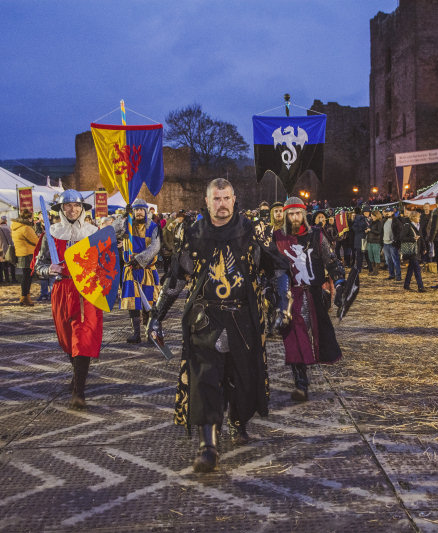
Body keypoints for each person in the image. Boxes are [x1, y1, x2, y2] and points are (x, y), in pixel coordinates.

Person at [146, 178, 291, 473]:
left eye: (227, 198)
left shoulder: (253, 231)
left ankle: (239, 422)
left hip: (244, 319)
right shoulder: (193, 233)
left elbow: (276, 267)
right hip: (205, 320)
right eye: (217, 199)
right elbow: (174, 279)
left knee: (243, 379)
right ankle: (208, 446)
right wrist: (156, 316)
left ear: (234, 199)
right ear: (208, 200)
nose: (222, 204)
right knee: (205, 381)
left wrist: (283, 306)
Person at [35, 190, 102, 409]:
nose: (72, 210)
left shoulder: (94, 232)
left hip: (87, 292)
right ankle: (77, 374)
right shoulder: (51, 234)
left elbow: (105, 264)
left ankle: (78, 391)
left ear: (83, 209)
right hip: (62, 291)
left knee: (83, 340)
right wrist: (49, 269)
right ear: (61, 210)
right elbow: (38, 266)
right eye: (68, 206)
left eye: (76, 206)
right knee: (67, 340)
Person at [275, 197, 345, 402]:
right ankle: (301, 384)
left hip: (314, 293)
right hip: (290, 295)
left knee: (319, 337)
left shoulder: (316, 234)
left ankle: (307, 375)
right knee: (294, 339)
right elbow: (274, 268)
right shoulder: (278, 237)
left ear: (304, 214)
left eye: (298, 213)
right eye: (291, 213)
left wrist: (339, 284)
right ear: (286, 215)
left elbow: (331, 260)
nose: (295, 217)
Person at [121, 199, 161, 344]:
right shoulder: (126, 225)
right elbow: (112, 230)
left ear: (146, 211)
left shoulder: (153, 227)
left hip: (146, 270)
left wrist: (139, 259)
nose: (138, 212)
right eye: (136, 210)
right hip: (130, 271)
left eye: (141, 210)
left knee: (149, 303)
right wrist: (123, 217)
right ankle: (136, 333)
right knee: (133, 304)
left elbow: (155, 248)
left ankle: (150, 333)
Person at [12, 209, 39, 306]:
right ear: (28, 218)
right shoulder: (26, 228)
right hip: (28, 254)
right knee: (27, 277)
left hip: (20, 253)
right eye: (31, 217)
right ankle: (25, 297)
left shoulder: (15, 227)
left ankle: (24, 297)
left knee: (26, 276)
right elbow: (36, 241)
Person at [400, 211, 426, 292]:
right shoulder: (407, 226)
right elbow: (401, 238)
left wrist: (424, 247)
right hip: (411, 250)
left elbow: (421, 238)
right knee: (417, 268)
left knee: (411, 268)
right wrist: (412, 239)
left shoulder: (419, 226)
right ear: (413, 218)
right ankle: (420, 287)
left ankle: (406, 284)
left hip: (417, 250)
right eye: (418, 217)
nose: (419, 219)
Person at [161, 210, 185, 274]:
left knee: (171, 264)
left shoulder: (171, 230)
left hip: (171, 249)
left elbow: (173, 238)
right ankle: (166, 275)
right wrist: (170, 247)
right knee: (167, 264)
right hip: (167, 250)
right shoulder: (165, 230)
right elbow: (164, 241)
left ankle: (168, 274)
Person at [0, 216, 16, 283]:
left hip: (2, 248)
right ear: (6, 221)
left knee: (5, 265)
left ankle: (7, 279)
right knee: (12, 264)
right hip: (10, 248)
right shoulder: (10, 228)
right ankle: (13, 278)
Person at [382, 207, 401, 281]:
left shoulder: (396, 221)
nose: (387, 213)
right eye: (386, 212)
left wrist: (395, 241)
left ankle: (398, 275)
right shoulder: (384, 221)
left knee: (395, 260)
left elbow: (399, 232)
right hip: (385, 243)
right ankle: (391, 274)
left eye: (389, 212)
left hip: (392, 243)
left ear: (392, 212)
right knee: (388, 260)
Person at [366, 210, 384, 275]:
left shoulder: (379, 222)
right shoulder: (372, 222)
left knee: (376, 256)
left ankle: (376, 271)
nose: (371, 217)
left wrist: (371, 230)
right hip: (370, 241)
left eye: (372, 215)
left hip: (376, 241)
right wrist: (367, 231)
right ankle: (373, 270)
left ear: (376, 216)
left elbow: (379, 232)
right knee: (371, 256)